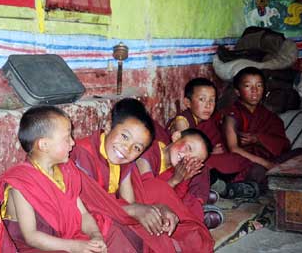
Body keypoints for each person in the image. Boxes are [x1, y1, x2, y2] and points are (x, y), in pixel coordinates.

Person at [71, 98, 214, 253]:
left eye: (137, 148)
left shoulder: (126, 163)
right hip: (87, 221)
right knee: (126, 226)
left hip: (114, 212)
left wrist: (158, 209)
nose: (127, 148)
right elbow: (83, 207)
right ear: (107, 125)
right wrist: (137, 210)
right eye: (125, 137)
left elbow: (130, 202)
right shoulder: (80, 154)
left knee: (153, 227)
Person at [0, 105, 137, 252]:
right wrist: (73, 246)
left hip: (68, 238)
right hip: (40, 247)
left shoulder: (67, 171)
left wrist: (96, 236)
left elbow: (83, 214)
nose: (73, 142)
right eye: (67, 138)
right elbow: (32, 237)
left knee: (112, 233)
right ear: (44, 145)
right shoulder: (22, 182)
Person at [222, 66, 302, 193]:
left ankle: (252, 186)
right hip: (246, 162)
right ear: (238, 91)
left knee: (300, 153)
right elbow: (234, 149)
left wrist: (258, 139)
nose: (254, 91)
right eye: (248, 86)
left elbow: (282, 144)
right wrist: (266, 164)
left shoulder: (269, 116)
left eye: (259, 86)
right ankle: (247, 187)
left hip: (267, 159)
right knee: (258, 170)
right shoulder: (232, 114)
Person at [136, 128, 224, 229]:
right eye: (188, 148)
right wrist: (174, 180)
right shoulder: (149, 153)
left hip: (161, 199)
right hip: (139, 203)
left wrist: (184, 180)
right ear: (176, 137)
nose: (187, 157)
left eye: (194, 159)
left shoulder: (177, 167)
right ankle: (194, 215)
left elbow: (176, 196)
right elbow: (143, 197)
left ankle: (196, 206)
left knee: (202, 171)